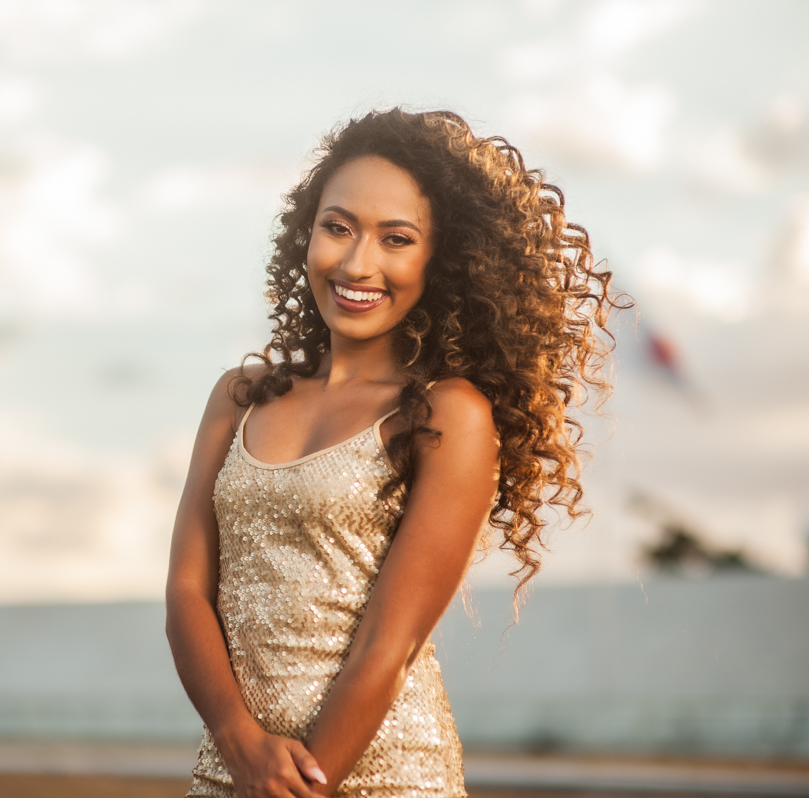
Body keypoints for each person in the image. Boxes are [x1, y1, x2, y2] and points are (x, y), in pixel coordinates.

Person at [165, 108, 622, 798]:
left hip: (381, 775)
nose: (357, 263)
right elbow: (187, 592)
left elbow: (390, 645)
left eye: (397, 239)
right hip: (234, 771)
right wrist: (239, 742)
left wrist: (300, 786)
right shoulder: (240, 396)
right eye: (338, 227)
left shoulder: (447, 414)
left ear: (441, 260)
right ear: (305, 231)